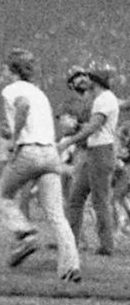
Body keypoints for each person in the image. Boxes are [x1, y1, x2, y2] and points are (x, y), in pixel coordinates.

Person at [0, 49, 81, 283]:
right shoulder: (39, 92)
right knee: (57, 215)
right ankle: (71, 268)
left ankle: (25, 235)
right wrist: (12, 130)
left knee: (2, 197)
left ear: (13, 70)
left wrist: (13, 139)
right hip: (50, 153)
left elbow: (23, 107)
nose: (2, 71)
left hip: (29, 151)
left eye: (5, 68)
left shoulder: (12, 89)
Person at [57, 66, 120, 256]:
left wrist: (68, 142)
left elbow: (93, 127)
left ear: (97, 82)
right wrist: (77, 126)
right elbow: (92, 126)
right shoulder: (101, 99)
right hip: (94, 152)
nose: (87, 80)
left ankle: (107, 246)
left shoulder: (104, 99)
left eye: (90, 78)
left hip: (101, 152)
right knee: (76, 198)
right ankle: (71, 241)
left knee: (100, 201)